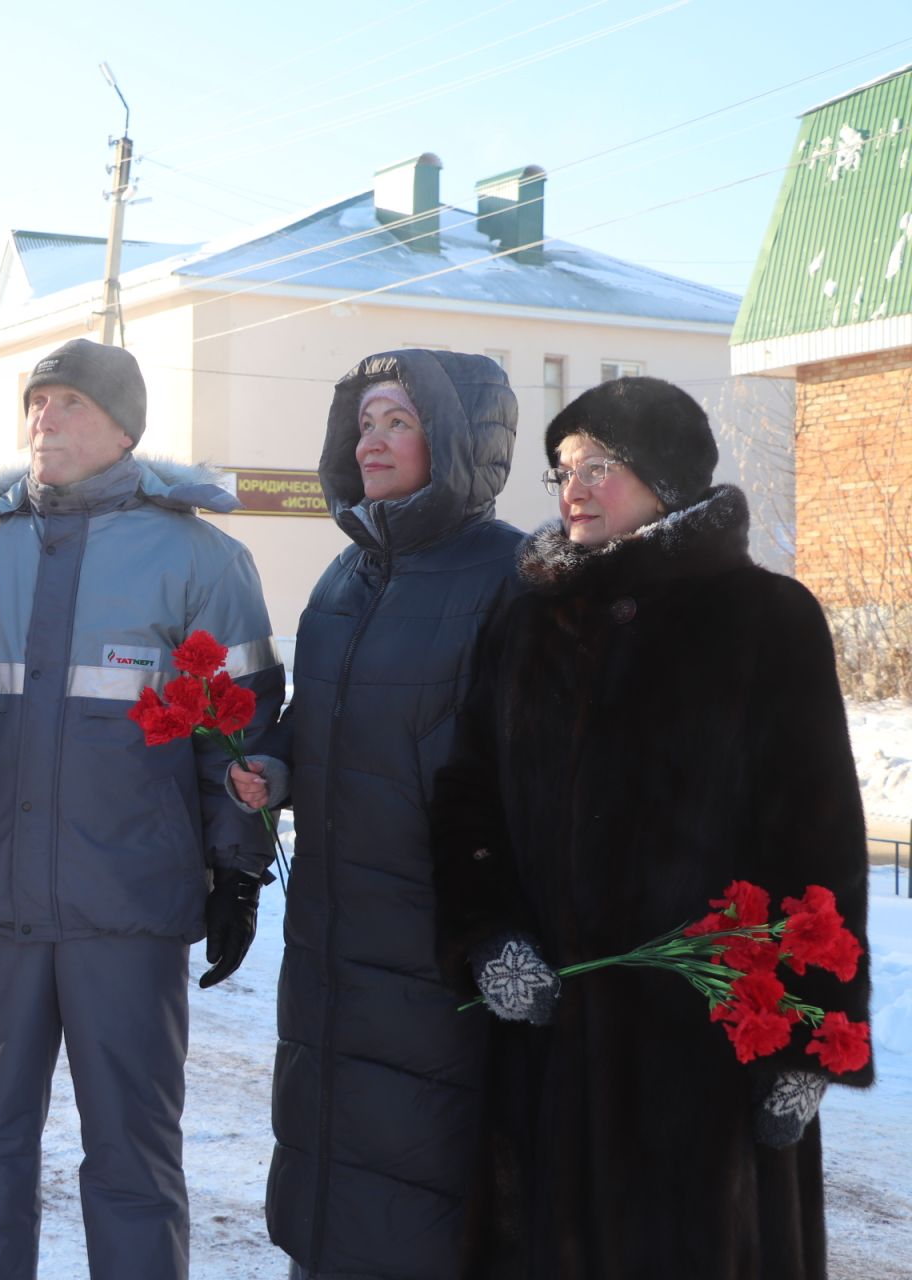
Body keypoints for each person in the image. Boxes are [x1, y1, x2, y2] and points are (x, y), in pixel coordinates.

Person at [429, 377, 873, 1279]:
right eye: (563, 468)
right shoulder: (526, 616)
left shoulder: (766, 620)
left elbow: (818, 835)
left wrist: (808, 1038)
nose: (573, 488)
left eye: (600, 465)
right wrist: (489, 938)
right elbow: (468, 792)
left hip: (704, 1051)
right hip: (548, 1039)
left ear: (666, 481)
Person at [0, 338, 283, 1280]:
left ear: (124, 429)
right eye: (37, 402)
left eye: (70, 403)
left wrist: (237, 873)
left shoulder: (202, 558)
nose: (45, 419)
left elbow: (244, 732)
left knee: (133, 1160)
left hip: (129, 903)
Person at [244, 351, 521, 1279]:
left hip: (434, 952)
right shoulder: (341, 580)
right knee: (330, 1176)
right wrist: (272, 768)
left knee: (420, 1191)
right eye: (365, 421)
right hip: (328, 942)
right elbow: (313, 723)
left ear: (455, 440)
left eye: (399, 420)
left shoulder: (509, 576)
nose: (372, 439)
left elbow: (525, 772)